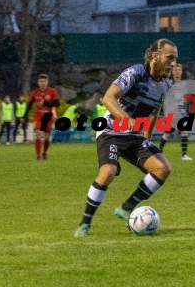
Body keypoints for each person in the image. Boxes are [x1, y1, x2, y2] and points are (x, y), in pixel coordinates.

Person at [74, 38, 178, 238]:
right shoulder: (136, 73)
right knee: (108, 172)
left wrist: (147, 139)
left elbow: (154, 113)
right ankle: (85, 224)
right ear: (155, 56)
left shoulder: (165, 85)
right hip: (111, 131)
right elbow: (108, 98)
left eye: (175, 58)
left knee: (163, 169)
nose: (173, 63)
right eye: (169, 57)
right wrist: (127, 119)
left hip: (134, 136)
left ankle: (126, 208)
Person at [158, 63, 192, 161]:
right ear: (172, 72)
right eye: (175, 70)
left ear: (181, 72)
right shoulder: (169, 83)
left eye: (179, 70)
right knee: (167, 134)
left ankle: (184, 155)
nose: (177, 71)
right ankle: (159, 151)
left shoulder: (184, 85)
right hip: (171, 113)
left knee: (184, 132)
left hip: (181, 113)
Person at [23, 74, 60, 160]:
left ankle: (44, 152)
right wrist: (24, 116)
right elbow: (29, 105)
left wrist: (45, 103)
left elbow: (57, 104)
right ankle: (38, 155)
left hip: (48, 117)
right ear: (38, 83)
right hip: (38, 116)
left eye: (44, 81)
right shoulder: (34, 93)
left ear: (47, 82)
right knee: (38, 134)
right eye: (41, 81)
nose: (42, 83)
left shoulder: (52, 91)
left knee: (47, 138)